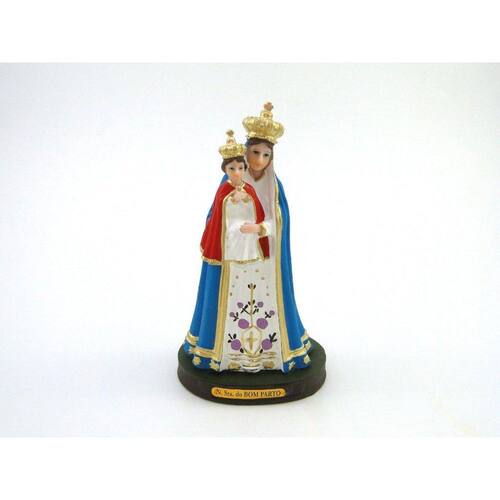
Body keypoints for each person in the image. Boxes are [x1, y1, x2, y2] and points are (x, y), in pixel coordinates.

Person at [183, 104, 311, 373]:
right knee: (231, 300)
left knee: (265, 301)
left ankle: (269, 353)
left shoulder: (274, 186)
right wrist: (233, 213)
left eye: (266, 154)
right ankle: (226, 352)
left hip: (265, 259)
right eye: (255, 153)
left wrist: (261, 228)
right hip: (233, 258)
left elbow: (280, 221)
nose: (260, 160)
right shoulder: (229, 182)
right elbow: (215, 217)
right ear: (245, 151)